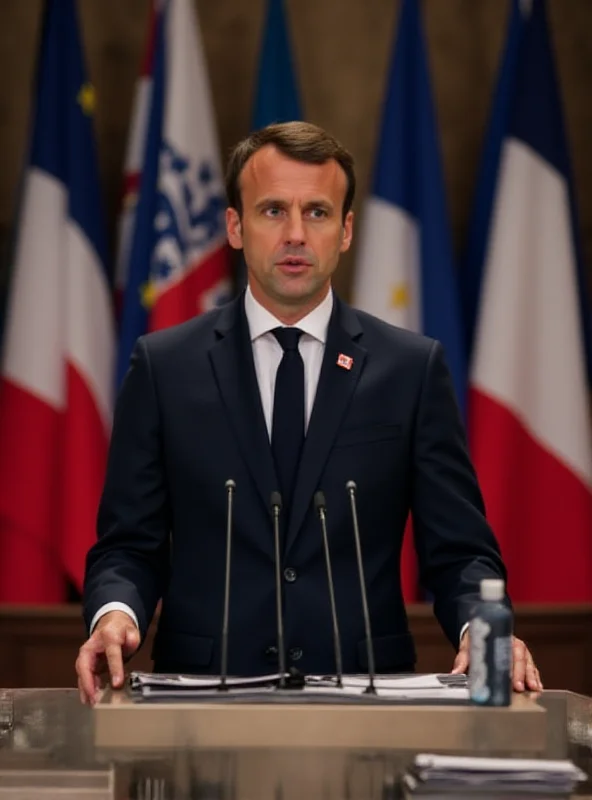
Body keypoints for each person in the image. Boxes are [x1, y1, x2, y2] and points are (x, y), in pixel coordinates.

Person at [77, 122, 541, 705]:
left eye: (317, 213)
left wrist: (484, 630)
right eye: (273, 210)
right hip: (202, 701)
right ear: (234, 226)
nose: (295, 234)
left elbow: (460, 551)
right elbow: (128, 544)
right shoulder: (165, 366)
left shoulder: (410, 369)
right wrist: (114, 615)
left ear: (346, 231)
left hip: (366, 699)